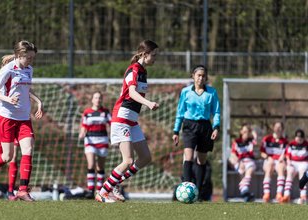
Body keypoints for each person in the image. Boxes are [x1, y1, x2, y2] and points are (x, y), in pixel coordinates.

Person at [95, 39, 160, 203]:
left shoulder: (143, 71)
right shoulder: (134, 70)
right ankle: (102, 191)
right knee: (128, 160)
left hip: (131, 120)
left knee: (145, 157)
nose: (155, 58)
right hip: (122, 118)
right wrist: (148, 103)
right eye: (153, 55)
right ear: (145, 55)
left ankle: (115, 184)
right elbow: (131, 93)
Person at [0, 40, 43, 202]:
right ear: (19, 55)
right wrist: (8, 99)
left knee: (28, 149)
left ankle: (22, 190)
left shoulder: (29, 69)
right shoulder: (8, 69)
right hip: (6, 117)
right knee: (7, 156)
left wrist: (38, 101)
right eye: (28, 58)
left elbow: (26, 89)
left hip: (24, 118)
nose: (31, 61)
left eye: (32, 58)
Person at [172, 65, 220, 201]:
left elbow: (216, 112)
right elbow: (180, 112)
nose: (201, 78)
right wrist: (176, 130)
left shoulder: (212, 92)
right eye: (198, 75)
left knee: (201, 159)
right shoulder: (185, 92)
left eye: (203, 76)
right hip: (189, 126)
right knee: (188, 156)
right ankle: (187, 189)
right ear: (193, 76)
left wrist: (216, 127)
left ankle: (197, 192)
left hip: (205, 127)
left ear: (206, 78)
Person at [78, 91, 111, 199]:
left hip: (103, 140)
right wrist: (82, 133)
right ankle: (90, 190)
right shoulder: (87, 112)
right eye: (96, 98)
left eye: (100, 98)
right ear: (92, 100)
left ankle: (99, 191)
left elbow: (111, 125)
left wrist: (114, 136)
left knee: (100, 167)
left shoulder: (105, 112)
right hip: (90, 140)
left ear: (102, 100)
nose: (98, 100)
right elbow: (84, 126)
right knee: (91, 165)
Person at [260, 121, 288, 203]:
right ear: (273, 128)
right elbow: (262, 152)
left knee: (281, 167)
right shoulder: (267, 139)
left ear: (282, 129)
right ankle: (266, 194)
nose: (278, 129)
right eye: (276, 127)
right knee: (269, 166)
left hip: (279, 161)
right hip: (269, 160)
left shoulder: (285, 141)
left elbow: (286, 153)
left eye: (280, 127)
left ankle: (279, 194)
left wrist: (282, 157)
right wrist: (268, 157)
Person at [229, 123, 257, 202]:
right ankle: (245, 193)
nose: (245, 134)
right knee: (241, 169)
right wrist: (239, 162)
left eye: (247, 132)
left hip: (249, 161)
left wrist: (253, 133)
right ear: (241, 132)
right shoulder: (236, 142)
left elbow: (256, 141)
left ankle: (243, 190)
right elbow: (233, 154)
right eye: (244, 132)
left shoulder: (251, 141)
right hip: (240, 162)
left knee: (250, 169)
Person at [283, 129, 308, 204]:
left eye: (301, 137)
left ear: (303, 138)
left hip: (303, 162)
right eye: (297, 136)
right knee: (290, 172)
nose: (299, 138)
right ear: (295, 137)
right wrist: (288, 161)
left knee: (302, 173)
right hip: (293, 162)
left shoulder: (307, 144)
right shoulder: (291, 144)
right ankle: (286, 195)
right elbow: (287, 154)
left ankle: (303, 195)